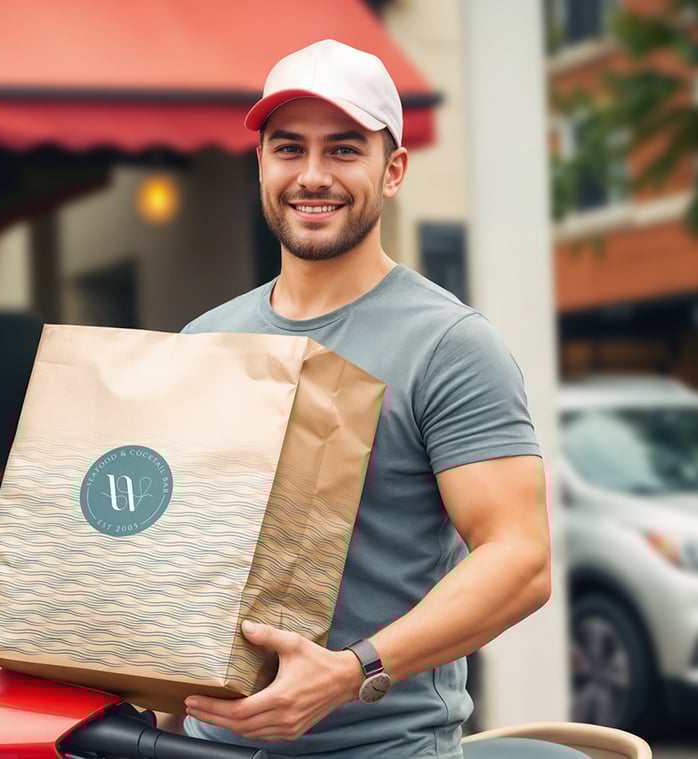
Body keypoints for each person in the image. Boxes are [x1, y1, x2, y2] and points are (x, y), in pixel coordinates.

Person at [163, 39, 552, 758]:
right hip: (204, 746)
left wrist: (351, 672)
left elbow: (520, 559)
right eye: (289, 149)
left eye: (344, 150)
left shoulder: (449, 344)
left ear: (393, 169)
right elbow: (178, 548)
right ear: (261, 164)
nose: (312, 175)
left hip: (383, 748)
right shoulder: (203, 339)